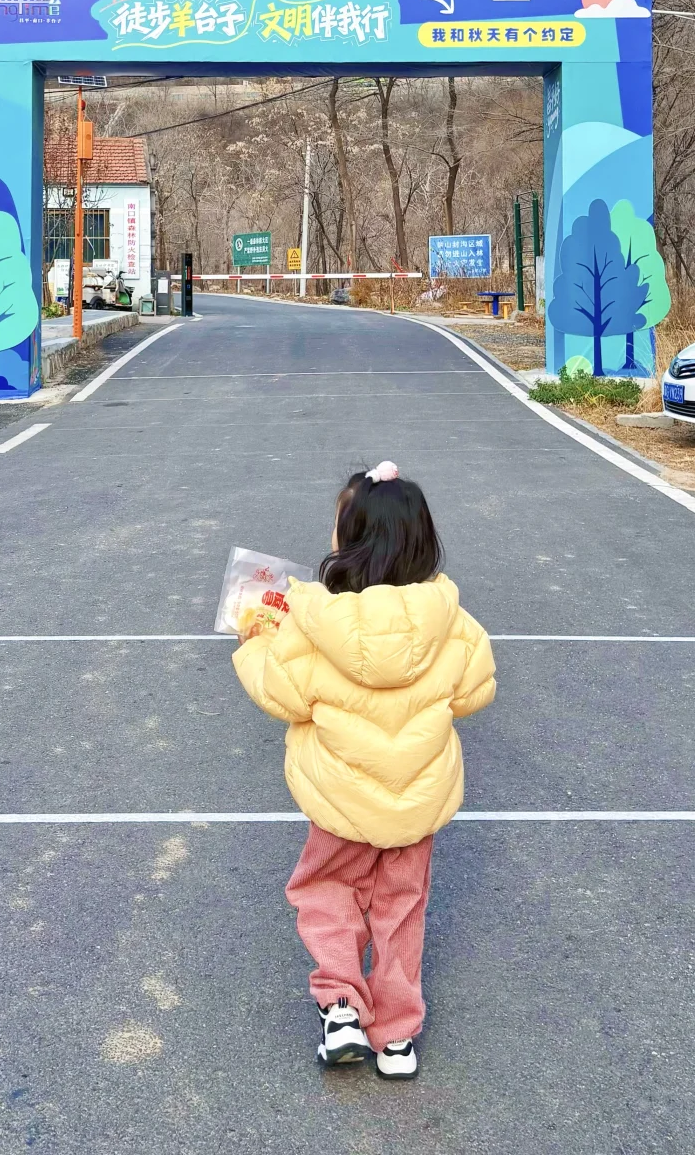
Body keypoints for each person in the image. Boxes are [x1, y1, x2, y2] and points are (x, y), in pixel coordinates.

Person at [233, 461, 495, 1080]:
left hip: (341, 803)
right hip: (415, 809)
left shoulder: (314, 620)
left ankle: (343, 1006)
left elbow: (283, 696)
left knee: (326, 892)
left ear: (347, 542)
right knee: (401, 912)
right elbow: (475, 689)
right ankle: (398, 1038)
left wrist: (254, 643)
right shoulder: (450, 618)